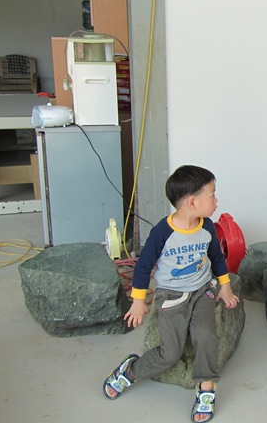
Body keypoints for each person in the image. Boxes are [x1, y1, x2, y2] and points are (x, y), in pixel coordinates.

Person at [103, 165, 240, 423]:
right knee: (170, 353)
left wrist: (224, 285)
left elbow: (216, 256)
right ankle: (130, 371)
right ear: (192, 202)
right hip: (171, 295)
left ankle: (206, 388)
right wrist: (138, 301)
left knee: (206, 337)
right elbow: (143, 266)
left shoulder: (207, 226)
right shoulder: (163, 232)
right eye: (212, 195)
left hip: (202, 291)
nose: (216, 201)